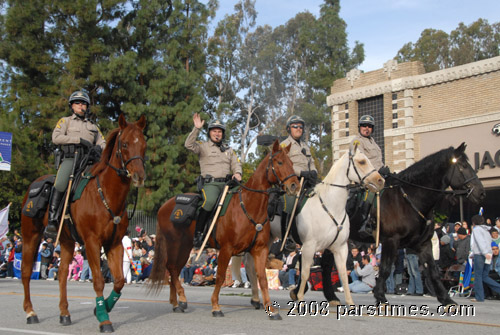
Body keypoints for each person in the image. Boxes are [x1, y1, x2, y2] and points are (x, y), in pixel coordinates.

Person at [44, 91, 106, 239]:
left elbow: (103, 142)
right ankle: (52, 220)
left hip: (90, 162)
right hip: (72, 159)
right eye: (77, 103)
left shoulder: (93, 126)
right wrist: (78, 140)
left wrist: (99, 148)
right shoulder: (65, 121)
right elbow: (56, 138)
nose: (81, 106)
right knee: (60, 183)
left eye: (83, 103)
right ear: (72, 106)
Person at [185, 113, 242, 247]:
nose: (217, 134)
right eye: (214, 131)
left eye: (219, 131)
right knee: (209, 201)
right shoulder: (203, 146)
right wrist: (196, 129)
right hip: (212, 184)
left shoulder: (229, 149)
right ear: (210, 133)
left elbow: (236, 163)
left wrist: (238, 173)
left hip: (229, 184)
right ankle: (198, 234)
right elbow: (188, 145)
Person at [279, 115, 317, 238]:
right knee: (290, 202)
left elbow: (311, 162)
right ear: (289, 128)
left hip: (308, 181)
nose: (298, 128)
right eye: (295, 126)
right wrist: (301, 173)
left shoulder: (305, 146)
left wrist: (314, 171)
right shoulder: (284, 145)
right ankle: (286, 235)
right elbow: (283, 165)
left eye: (301, 126)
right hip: (293, 181)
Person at [470, 214, 500, 302]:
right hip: (488, 254)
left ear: (474, 222)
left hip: (480, 254)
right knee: (485, 276)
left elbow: (480, 242)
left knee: (478, 276)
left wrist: (483, 252)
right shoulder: (487, 230)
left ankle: (479, 297)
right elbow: (488, 241)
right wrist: (487, 252)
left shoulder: (477, 229)